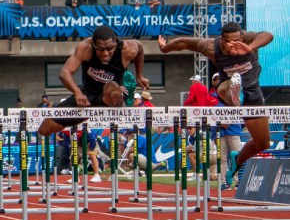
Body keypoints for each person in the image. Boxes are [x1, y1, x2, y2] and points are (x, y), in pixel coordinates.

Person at [158, 22, 274, 189]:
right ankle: (235, 93)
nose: (232, 45)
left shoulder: (248, 39)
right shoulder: (211, 47)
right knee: (227, 87)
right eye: (228, 42)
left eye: (236, 41)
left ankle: (238, 159)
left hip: (253, 94)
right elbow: (185, 42)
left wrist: (250, 48)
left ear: (242, 37)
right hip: (226, 87)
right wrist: (165, 48)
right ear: (221, 39)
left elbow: (268, 35)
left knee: (263, 143)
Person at [38, 25, 149, 137]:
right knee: (44, 129)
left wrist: (140, 75)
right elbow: (64, 73)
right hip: (87, 96)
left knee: (111, 86)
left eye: (109, 48)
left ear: (115, 43)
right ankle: (79, 117)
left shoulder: (127, 48)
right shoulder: (85, 48)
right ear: (93, 44)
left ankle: (125, 93)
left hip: (109, 96)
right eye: (100, 49)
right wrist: (77, 93)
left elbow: (139, 47)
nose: (105, 53)